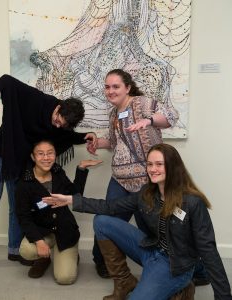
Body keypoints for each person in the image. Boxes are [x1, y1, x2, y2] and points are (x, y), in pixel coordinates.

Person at [44, 143, 232, 300]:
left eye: (159, 164)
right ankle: (125, 281)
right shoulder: (146, 193)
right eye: (150, 164)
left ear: (173, 167)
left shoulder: (192, 202)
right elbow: (110, 207)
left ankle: (182, 288)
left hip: (174, 266)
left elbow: (208, 249)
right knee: (102, 221)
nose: (153, 169)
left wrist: (223, 296)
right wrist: (70, 200)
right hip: (150, 249)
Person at [0, 74, 97, 273]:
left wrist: (85, 137)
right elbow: (7, 80)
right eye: (57, 120)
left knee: (17, 206)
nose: (57, 126)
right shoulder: (38, 99)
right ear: (58, 107)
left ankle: (14, 250)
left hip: (20, 160)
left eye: (61, 125)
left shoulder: (61, 125)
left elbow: (65, 136)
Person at [88, 68, 179, 278]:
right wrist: (97, 143)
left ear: (127, 87)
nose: (110, 91)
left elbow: (171, 115)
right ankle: (102, 262)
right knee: (107, 220)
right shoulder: (114, 114)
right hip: (119, 180)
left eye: (116, 86)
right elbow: (113, 142)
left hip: (147, 181)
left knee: (152, 227)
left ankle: (173, 266)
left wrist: (149, 121)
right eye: (107, 87)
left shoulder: (141, 103)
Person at [15, 140, 102, 284]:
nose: (46, 157)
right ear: (33, 157)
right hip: (43, 232)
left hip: (64, 230)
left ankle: (71, 254)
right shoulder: (24, 183)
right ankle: (44, 258)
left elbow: (75, 195)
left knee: (65, 278)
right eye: (41, 154)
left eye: (50, 153)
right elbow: (23, 217)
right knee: (26, 250)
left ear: (55, 155)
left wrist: (81, 168)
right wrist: (39, 241)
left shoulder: (58, 172)